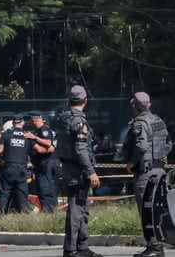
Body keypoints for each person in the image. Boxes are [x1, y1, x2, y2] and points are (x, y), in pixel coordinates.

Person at [122, 92, 172, 257]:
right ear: (149, 105)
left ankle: (154, 247)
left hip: (145, 174)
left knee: (146, 210)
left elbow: (141, 146)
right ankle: (157, 246)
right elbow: (168, 144)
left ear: (135, 106)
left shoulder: (139, 123)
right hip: (160, 171)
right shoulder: (159, 120)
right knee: (157, 210)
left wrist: (132, 163)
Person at [57, 85, 102, 257]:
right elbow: (81, 149)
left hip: (70, 168)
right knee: (76, 210)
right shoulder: (79, 121)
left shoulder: (64, 118)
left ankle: (82, 247)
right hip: (78, 170)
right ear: (85, 101)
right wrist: (91, 171)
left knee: (82, 209)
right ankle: (71, 249)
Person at [0, 114, 47, 214]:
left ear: (13, 123)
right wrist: (51, 149)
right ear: (23, 123)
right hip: (21, 169)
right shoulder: (27, 136)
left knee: (4, 193)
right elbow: (40, 150)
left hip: (8, 167)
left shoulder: (6, 134)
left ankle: (1, 214)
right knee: (22, 193)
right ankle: (23, 214)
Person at [25, 111, 58, 213]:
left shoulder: (44, 129)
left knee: (45, 188)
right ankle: (48, 209)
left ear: (35, 119)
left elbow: (48, 144)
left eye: (31, 119)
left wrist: (34, 138)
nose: (30, 122)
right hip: (41, 164)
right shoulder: (38, 130)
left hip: (46, 163)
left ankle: (49, 210)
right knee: (42, 188)